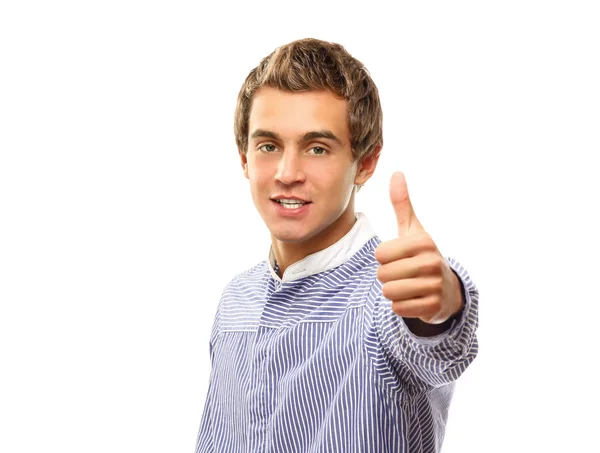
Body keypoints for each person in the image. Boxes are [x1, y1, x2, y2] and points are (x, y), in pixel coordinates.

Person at [195, 37, 479, 453]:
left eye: (317, 148)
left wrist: (441, 304)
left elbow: (436, 341)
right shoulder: (235, 299)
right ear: (244, 158)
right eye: (269, 146)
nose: (287, 173)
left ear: (364, 163)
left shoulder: (386, 298)